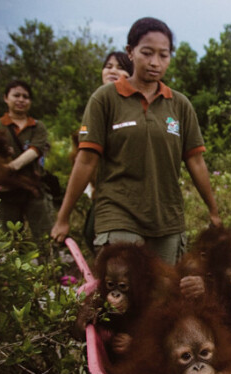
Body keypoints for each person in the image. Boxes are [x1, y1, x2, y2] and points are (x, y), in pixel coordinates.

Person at [51, 17, 221, 265]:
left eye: (163, 55)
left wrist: (213, 210)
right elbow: (86, 161)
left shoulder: (179, 104)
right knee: (124, 292)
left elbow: (196, 162)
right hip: (118, 213)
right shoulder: (104, 99)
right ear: (130, 52)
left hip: (167, 219)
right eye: (147, 53)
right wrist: (63, 217)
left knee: (163, 298)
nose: (155, 62)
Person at [70, 51, 133, 251]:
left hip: (126, 189)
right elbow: (85, 153)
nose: (112, 70)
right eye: (108, 66)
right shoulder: (96, 102)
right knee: (91, 235)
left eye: (120, 67)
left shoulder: (131, 106)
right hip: (102, 189)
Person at [0, 80, 55, 241]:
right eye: (16, 95)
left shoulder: (37, 127)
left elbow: (35, 150)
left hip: (33, 189)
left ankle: (48, 265)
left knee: (44, 238)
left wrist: (10, 167)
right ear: (6, 98)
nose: (21, 100)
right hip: (4, 194)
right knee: (8, 241)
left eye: (25, 97)